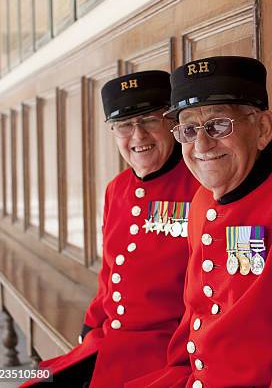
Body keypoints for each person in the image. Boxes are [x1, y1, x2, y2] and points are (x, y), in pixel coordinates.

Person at [126, 56, 272, 388]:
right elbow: (195, 312)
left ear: (261, 128)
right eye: (188, 130)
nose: (201, 145)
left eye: (218, 125)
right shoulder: (202, 199)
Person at [22, 70, 201, 387]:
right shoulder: (117, 189)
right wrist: (91, 324)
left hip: (164, 351)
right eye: (123, 126)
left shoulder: (200, 187)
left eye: (148, 120)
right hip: (109, 338)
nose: (137, 136)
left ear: (171, 123)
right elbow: (110, 270)